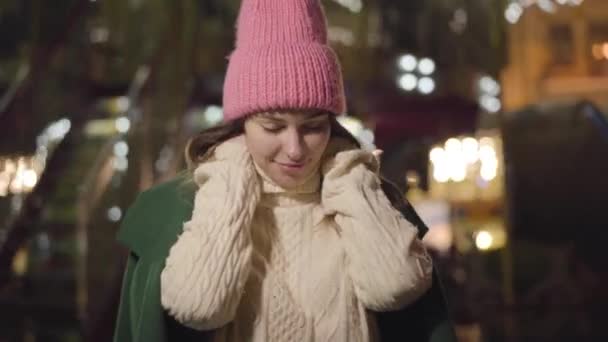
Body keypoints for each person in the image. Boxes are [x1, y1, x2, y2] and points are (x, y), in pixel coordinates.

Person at [113, 0, 457, 341]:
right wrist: (231, 181)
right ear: (242, 123)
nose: (295, 149)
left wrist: (351, 179)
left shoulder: (364, 199)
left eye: (313, 127)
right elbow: (199, 307)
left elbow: (397, 287)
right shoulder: (187, 206)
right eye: (273, 127)